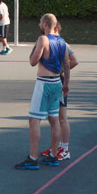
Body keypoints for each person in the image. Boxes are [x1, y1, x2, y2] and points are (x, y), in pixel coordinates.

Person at [15, 13, 70, 170]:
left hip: (44, 83)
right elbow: (67, 64)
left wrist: (36, 49)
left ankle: (33, 158)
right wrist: (66, 83)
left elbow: (33, 61)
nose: (39, 23)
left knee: (34, 120)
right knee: (54, 119)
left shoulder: (43, 39)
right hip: (57, 83)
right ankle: (53, 155)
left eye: (40, 21)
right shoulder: (62, 41)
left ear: (45, 24)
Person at [42, 21, 79, 161]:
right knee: (54, 117)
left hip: (59, 81)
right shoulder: (51, 42)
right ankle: (55, 147)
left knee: (62, 117)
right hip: (53, 81)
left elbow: (74, 61)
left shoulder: (62, 43)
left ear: (55, 29)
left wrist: (59, 71)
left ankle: (65, 149)